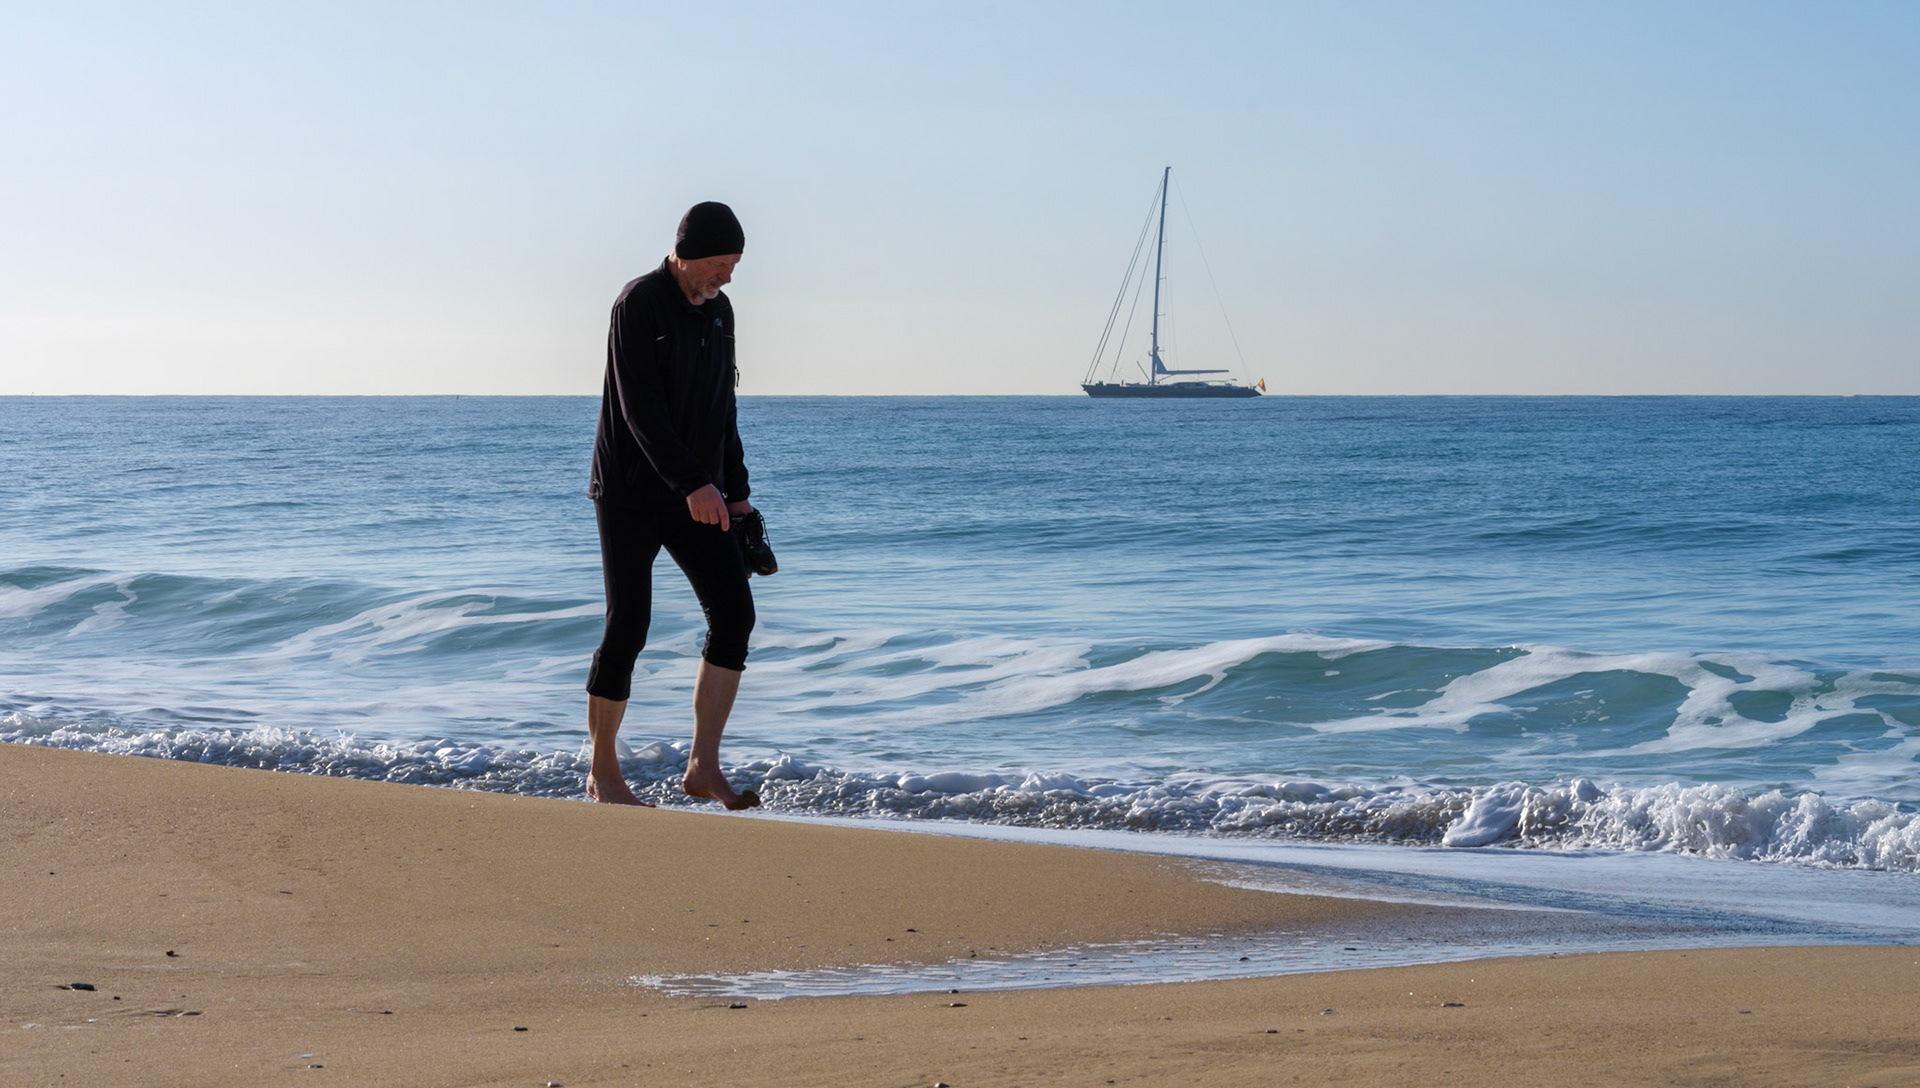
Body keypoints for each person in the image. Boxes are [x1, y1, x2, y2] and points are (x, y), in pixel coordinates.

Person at [583, 201, 761, 810]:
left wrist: (735, 495)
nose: (727, 277)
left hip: (700, 495)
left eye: (734, 265)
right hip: (631, 492)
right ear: (686, 253)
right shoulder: (638, 303)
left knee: (735, 615)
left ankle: (702, 767)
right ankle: (604, 772)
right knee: (628, 623)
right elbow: (640, 412)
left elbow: (722, 410)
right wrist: (693, 483)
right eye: (719, 263)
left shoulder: (721, 312)